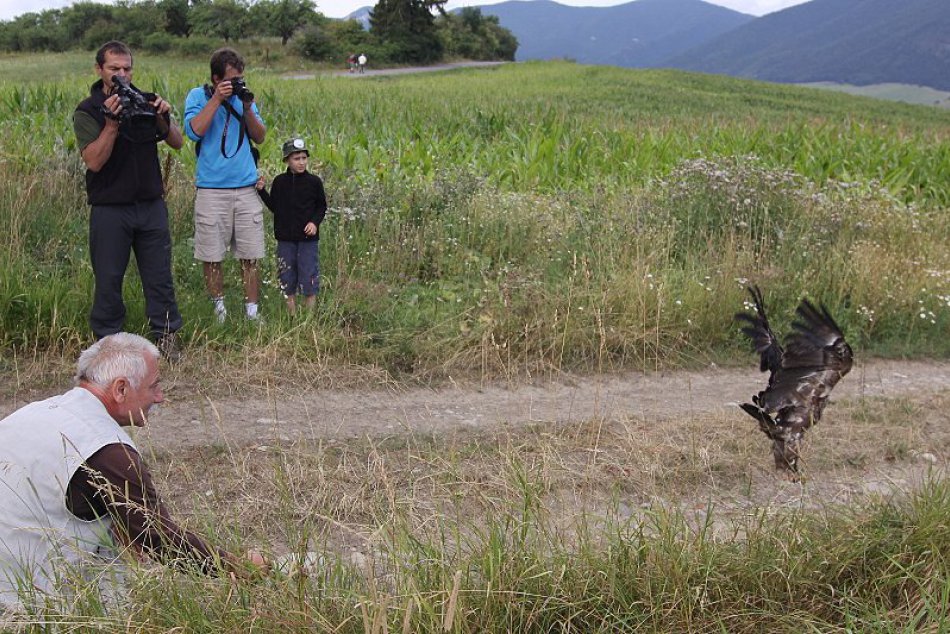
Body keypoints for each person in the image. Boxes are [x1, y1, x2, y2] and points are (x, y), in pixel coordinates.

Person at [0, 333, 266, 609]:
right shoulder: (106, 448)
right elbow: (159, 537)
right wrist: (237, 567)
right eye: (154, 386)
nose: (160, 397)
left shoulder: (32, 413)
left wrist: (120, 523)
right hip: (28, 601)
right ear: (121, 389)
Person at [73, 41, 184, 361]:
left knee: (159, 275)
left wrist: (163, 115)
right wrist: (111, 125)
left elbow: (176, 142)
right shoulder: (88, 109)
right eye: (114, 69)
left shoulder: (144, 99)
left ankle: (167, 337)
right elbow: (93, 161)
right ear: (99, 70)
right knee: (108, 277)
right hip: (110, 207)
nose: (121, 74)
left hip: (150, 203)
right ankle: (108, 344)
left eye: (126, 68)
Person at [184, 47, 267, 323]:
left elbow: (260, 136)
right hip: (211, 189)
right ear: (216, 78)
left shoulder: (245, 99)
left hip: (245, 187)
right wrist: (217, 99)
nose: (236, 84)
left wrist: (246, 108)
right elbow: (194, 131)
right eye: (231, 80)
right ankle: (219, 310)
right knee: (211, 254)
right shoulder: (198, 96)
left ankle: (252, 312)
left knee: (250, 253)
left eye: (240, 79)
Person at [256, 138, 328, 314]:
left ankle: (309, 317)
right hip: (285, 239)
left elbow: (321, 206)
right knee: (286, 276)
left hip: (307, 240)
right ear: (287, 160)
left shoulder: (314, 182)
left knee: (309, 274)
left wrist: (314, 222)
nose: (301, 162)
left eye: (304, 158)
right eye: (297, 159)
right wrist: (262, 191)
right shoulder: (280, 182)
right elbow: (275, 206)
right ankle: (291, 316)